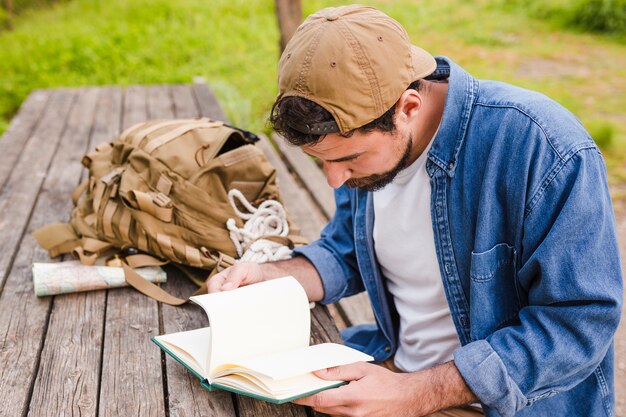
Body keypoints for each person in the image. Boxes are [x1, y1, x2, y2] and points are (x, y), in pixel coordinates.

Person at [207, 4, 623, 417]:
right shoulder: (368, 148)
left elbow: (579, 321)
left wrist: (413, 394)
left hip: (499, 405)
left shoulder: (544, 149)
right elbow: (348, 251)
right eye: (321, 161)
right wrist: (274, 277)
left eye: (349, 159)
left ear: (408, 107)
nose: (334, 180)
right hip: (390, 370)